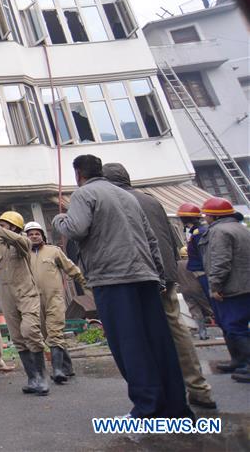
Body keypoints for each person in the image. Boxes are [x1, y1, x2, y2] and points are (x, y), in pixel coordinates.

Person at [52, 155, 191, 419]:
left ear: (78, 174)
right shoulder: (127, 196)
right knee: (158, 342)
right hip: (146, 278)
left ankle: (146, 408)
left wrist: (59, 220)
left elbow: (76, 228)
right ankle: (175, 407)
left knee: (129, 343)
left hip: (113, 278)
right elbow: (151, 239)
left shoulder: (84, 194)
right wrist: (158, 276)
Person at [103, 163, 217, 409]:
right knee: (174, 329)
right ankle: (198, 387)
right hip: (165, 273)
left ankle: (160, 397)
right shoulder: (152, 201)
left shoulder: (113, 202)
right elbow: (170, 238)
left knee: (141, 336)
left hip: (141, 278)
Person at [0, 212, 48, 396]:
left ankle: (42, 377)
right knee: (18, 338)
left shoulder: (22, 242)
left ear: (14, 226)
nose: (0, 227)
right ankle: (32, 378)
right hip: (7, 296)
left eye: (4, 224)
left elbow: (12, 238)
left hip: (26, 293)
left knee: (30, 331)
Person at [24, 221, 86, 384]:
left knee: (55, 332)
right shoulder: (23, 255)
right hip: (34, 301)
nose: (34, 236)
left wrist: (86, 284)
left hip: (54, 298)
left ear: (43, 236)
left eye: (37, 233)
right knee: (47, 335)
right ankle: (67, 367)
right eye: (30, 234)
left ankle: (57, 370)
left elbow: (71, 268)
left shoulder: (54, 251)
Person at [199, 197, 250, 384]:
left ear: (213, 215)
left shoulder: (219, 232)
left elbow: (220, 261)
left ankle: (246, 364)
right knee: (239, 325)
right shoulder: (240, 227)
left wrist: (215, 285)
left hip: (233, 287)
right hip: (244, 284)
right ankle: (239, 361)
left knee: (235, 326)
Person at [177, 203, 214, 340]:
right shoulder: (198, 231)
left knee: (198, 310)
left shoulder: (198, 233)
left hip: (194, 281)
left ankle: (203, 333)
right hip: (199, 281)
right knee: (211, 308)